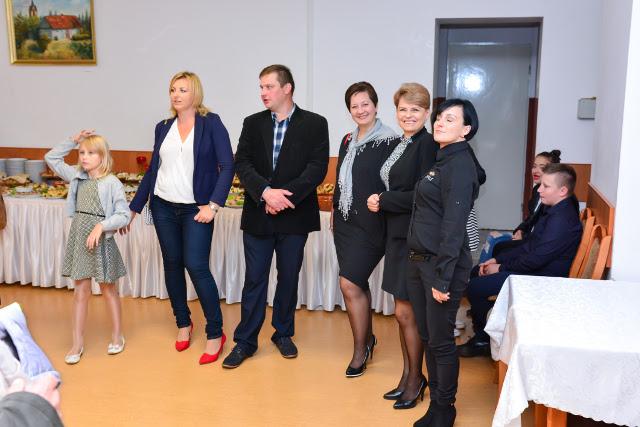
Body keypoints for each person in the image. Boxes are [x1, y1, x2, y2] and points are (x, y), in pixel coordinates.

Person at [223, 64, 329, 369]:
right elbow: (242, 163)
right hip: (259, 214)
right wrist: (266, 193)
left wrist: (283, 199)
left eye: (268, 86)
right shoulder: (252, 123)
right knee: (254, 279)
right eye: (261, 87)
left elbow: (317, 168)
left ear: (287, 88)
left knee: (288, 277)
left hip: (295, 215)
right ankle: (245, 341)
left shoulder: (315, 123)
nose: (263, 93)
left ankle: (283, 333)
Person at [127, 71, 234, 365]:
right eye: (173, 89)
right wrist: (134, 208)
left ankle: (216, 332)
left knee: (196, 266)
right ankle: (183, 323)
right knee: (172, 265)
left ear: (195, 93)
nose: (176, 95)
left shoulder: (212, 123)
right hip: (163, 206)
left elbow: (227, 166)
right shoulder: (163, 127)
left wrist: (213, 205)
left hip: (195, 209)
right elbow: (153, 170)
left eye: (183, 90)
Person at [406, 99, 481, 426]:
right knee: (429, 336)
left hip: (441, 266)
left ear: (466, 130)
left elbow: (453, 227)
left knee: (440, 342)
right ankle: (436, 404)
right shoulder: (444, 158)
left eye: (450, 119)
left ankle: (444, 408)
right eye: (439, 117)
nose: (439, 122)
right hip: (420, 261)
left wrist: (442, 278)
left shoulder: (460, 165)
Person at [459, 163, 582, 358]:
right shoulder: (554, 210)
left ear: (563, 191)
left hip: (543, 279)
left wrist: (501, 267)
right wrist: (496, 260)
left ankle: (484, 339)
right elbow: (529, 245)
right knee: (477, 272)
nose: (539, 190)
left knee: (475, 287)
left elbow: (536, 259)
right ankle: (487, 327)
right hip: (537, 270)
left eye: (546, 186)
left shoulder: (562, 220)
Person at [366, 83, 435, 409]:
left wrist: (384, 199)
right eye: (403, 109)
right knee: (401, 313)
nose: (408, 115)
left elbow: (423, 194)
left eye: (415, 110)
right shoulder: (403, 142)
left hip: (412, 236)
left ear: (427, 113)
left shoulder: (427, 144)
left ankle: (415, 379)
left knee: (409, 313)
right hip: (396, 234)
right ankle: (409, 376)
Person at [45, 131, 131, 365]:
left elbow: (123, 215)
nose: (84, 157)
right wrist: (73, 140)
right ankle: (77, 343)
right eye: (81, 152)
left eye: (91, 153)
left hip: (102, 238)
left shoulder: (112, 183)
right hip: (80, 237)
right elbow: (51, 158)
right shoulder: (76, 176)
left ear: (103, 156)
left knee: (108, 289)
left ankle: (117, 336)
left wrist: (102, 226)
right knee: (80, 291)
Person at [332, 82, 396, 378]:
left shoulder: (390, 141)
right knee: (357, 283)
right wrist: (335, 211)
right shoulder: (348, 139)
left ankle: (360, 350)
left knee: (348, 283)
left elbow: (394, 184)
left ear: (376, 105)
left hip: (372, 224)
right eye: (354, 106)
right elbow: (340, 180)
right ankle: (367, 339)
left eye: (365, 104)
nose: (360, 110)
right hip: (345, 222)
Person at [479, 150, 562, 262]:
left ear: (553, 171)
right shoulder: (536, 190)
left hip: (534, 243)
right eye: (534, 166)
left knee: (499, 247)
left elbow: (542, 233)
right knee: (492, 239)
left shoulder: (553, 198)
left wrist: (524, 237)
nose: (535, 171)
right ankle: (484, 268)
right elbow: (531, 218)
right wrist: (520, 230)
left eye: (542, 167)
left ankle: (487, 269)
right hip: (528, 237)